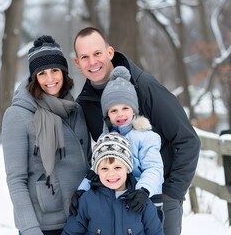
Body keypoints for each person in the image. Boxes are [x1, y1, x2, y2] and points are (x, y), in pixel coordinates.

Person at [73, 27, 201, 235]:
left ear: (110, 53)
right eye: (85, 57)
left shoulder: (144, 87)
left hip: (159, 198)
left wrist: (171, 194)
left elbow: (188, 140)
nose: (93, 62)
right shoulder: (85, 104)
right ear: (77, 63)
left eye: (97, 53)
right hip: (119, 206)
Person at [2, 35, 91, 235]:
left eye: (54, 71)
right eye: (42, 73)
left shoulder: (76, 110)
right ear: (34, 78)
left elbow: (89, 163)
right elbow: (16, 180)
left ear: (64, 72)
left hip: (82, 218)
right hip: (46, 225)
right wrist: (30, 229)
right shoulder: (18, 115)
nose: (50, 79)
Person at [74, 66, 164, 220]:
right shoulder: (106, 138)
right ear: (107, 114)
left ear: (134, 110)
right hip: (118, 201)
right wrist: (82, 190)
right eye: (113, 110)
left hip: (144, 200)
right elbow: (96, 168)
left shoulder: (146, 137)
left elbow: (154, 168)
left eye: (125, 108)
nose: (120, 114)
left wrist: (144, 190)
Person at [62, 132, 164, 235]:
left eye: (117, 167)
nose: (111, 174)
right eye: (104, 168)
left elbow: (156, 232)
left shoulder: (142, 202)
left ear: (128, 169)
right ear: (97, 171)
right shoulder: (87, 200)